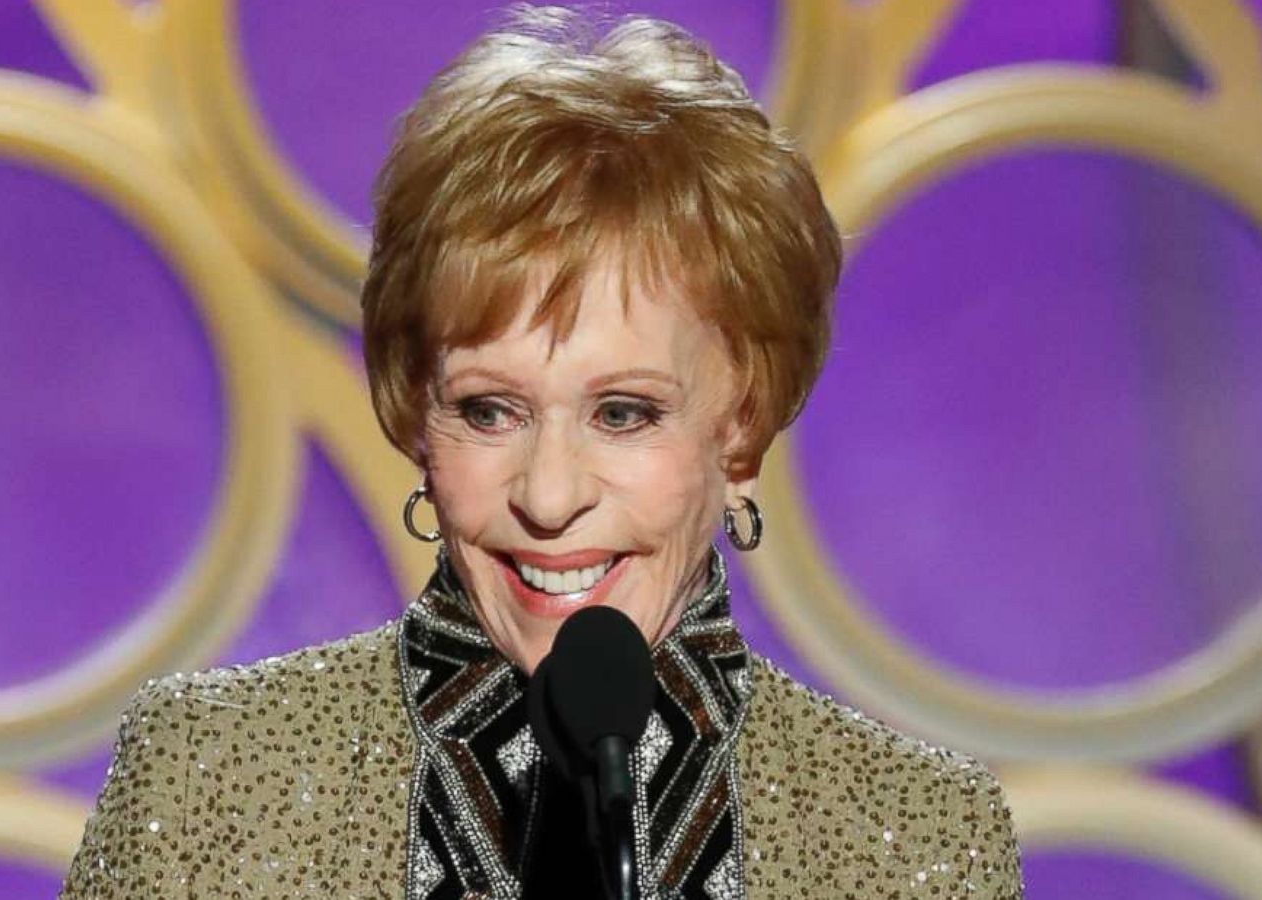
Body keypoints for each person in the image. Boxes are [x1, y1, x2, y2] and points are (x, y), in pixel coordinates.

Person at [58, 7, 1023, 898]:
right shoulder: (207, 779)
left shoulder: (922, 833)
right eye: (490, 412)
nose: (550, 496)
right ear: (413, 412)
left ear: (743, 422)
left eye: (624, 413)